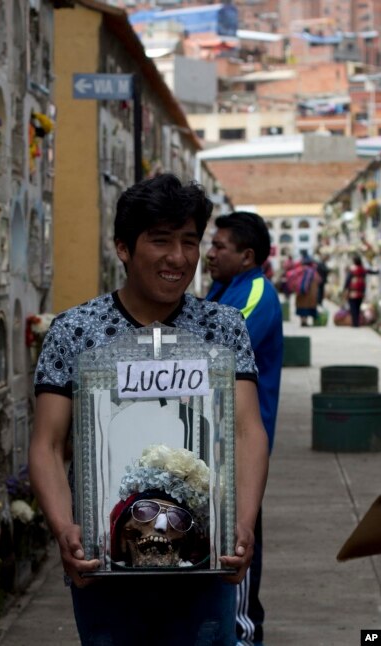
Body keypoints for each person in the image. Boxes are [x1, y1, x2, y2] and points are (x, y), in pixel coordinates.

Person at [29, 174, 269, 645]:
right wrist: (65, 530)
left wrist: (240, 525)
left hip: (203, 564)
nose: (178, 258)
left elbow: (246, 431)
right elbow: (48, 443)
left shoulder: (223, 328)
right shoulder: (76, 331)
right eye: (160, 241)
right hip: (107, 563)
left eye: (189, 241)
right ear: (123, 247)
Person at [205, 211, 283, 646]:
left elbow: (212, 355)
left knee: (240, 536)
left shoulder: (253, 295)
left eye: (219, 247)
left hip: (238, 438)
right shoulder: (226, 288)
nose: (209, 254)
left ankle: (244, 633)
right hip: (218, 436)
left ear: (247, 256)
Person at [343, 256, 378, 327]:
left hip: (353, 292)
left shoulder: (352, 270)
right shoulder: (363, 270)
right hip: (360, 292)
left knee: (353, 308)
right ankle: (357, 322)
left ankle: (354, 322)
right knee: (358, 307)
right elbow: (371, 272)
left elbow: (348, 280)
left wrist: (345, 289)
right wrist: (377, 272)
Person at [290, 256, 321, 327]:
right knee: (306, 307)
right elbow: (318, 280)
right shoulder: (312, 271)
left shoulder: (299, 269)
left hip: (300, 292)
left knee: (301, 307)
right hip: (309, 293)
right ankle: (305, 321)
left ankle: (302, 321)